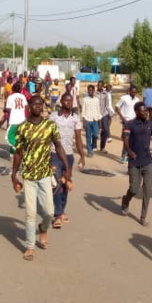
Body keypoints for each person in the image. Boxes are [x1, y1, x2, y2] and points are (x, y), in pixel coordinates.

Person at [11, 94, 71, 261]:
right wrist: (14, 174)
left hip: (45, 175)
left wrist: (67, 167)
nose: (38, 106)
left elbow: (58, 147)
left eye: (40, 104)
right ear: (29, 106)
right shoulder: (22, 127)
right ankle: (30, 247)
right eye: (34, 104)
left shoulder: (49, 126)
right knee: (30, 212)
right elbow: (18, 153)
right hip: (29, 176)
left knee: (49, 212)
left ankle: (43, 228)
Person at [51, 94, 85, 228]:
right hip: (55, 154)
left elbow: (78, 138)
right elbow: (48, 135)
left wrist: (82, 156)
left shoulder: (76, 118)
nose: (69, 103)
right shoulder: (54, 116)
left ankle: (62, 209)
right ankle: (57, 214)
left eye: (71, 101)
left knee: (66, 183)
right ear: (61, 102)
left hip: (69, 155)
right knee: (57, 183)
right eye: (66, 100)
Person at [115, 85, 140, 164]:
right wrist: (122, 117)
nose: (134, 93)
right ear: (129, 91)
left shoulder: (137, 100)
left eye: (135, 92)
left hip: (135, 122)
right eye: (132, 91)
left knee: (133, 139)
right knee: (126, 139)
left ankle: (130, 155)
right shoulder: (124, 98)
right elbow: (117, 107)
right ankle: (123, 156)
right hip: (126, 122)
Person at [3, 81, 29, 154]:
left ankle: (20, 148)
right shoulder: (23, 97)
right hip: (22, 120)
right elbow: (26, 107)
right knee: (17, 137)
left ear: (13, 89)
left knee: (9, 137)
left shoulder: (10, 97)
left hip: (14, 120)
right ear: (20, 89)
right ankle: (12, 155)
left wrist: (5, 109)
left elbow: (8, 109)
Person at [80, 84, 102, 157]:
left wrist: (99, 121)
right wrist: (84, 122)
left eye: (91, 90)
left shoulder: (96, 99)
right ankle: (89, 152)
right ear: (88, 91)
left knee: (95, 135)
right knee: (88, 136)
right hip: (88, 120)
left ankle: (93, 146)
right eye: (89, 90)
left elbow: (98, 110)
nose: (90, 91)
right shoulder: (85, 99)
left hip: (95, 119)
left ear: (94, 91)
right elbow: (83, 111)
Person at [98, 81, 114, 151]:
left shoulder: (107, 94)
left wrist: (110, 113)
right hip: (96, 114)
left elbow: (108, 104)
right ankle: (93, 147)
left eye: (100, 85)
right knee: (96, 132)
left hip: (104, 113)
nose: (99, 86)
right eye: (98, 85)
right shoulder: (95, 93)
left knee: (105, 128)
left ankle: (102, 147)